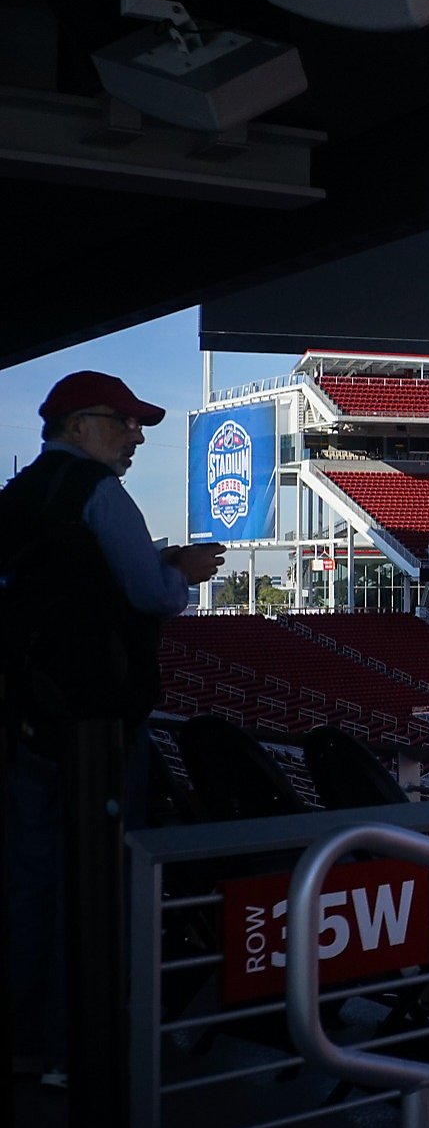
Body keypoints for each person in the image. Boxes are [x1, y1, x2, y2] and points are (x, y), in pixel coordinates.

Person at [2, 372, 224, 1089]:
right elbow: (150, 595)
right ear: (76, 426)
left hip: (25, 721)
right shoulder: (99, 493)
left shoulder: (16, 498)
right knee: (95, 886)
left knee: (30, 880)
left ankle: (26, 1042)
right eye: (123, 422)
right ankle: (81, 1050)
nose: (136, 435)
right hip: (93, 728)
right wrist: (182, 570)